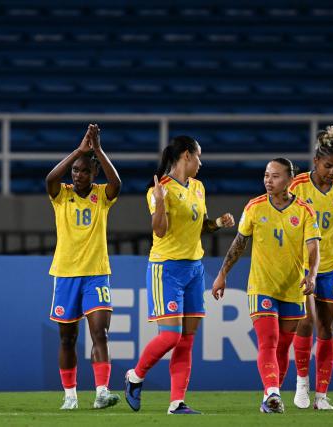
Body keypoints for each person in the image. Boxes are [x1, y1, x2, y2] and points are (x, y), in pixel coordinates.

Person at [124, 136, 235, 415]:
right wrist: (160, 202)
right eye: (199, 156)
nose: (201, 162)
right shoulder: (159, 190)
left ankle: (177, 402)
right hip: (167, 269)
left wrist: (218, 223)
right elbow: (159, 230)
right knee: (171, 337)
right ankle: (135, 376)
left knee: (187, 339)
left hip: (194, 269)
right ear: (186, 155)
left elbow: (200, 226)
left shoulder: (198, 187)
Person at [212, 158, 321, 414]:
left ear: (290, 180)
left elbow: (314, 248)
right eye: (266, 175)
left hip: (293, 288)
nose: (268, 181)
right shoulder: (254, 207)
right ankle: (273, 392)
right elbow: (239, 244)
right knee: (268, 341)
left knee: (283, 346)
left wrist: (312, 275)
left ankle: (269, 397)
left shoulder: (305, 211)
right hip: (261, 286)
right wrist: (222, 274)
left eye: (275, 176)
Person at [46, 124, 122, 410]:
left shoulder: (102, 196)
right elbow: (49, 178)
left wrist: (98, 151)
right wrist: (79, 151)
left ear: (94, 174)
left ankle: (102, 391)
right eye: (75, 171)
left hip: (96, 274)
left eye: (84, 171)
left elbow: (118, 184)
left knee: (100, 333)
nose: (78, 175)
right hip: (65, 275)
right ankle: (70, 395)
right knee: (68, 339)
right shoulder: (61, 194)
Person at [289, 126, 333, 410]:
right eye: (328, 166)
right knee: (305, 322)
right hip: (304, 268)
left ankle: (321, 395)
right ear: (316, 161)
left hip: (332, 266)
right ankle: (302, 386)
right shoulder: (297, 186)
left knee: (327, 329)